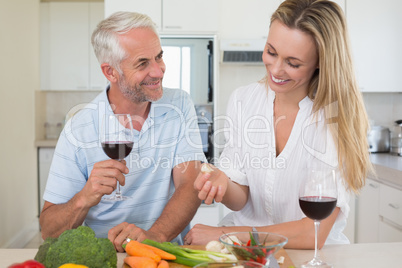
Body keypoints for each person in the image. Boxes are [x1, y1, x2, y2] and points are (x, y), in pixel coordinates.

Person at [184, 0, 373, 249]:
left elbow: (311, 233)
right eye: (271, 52)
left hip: (308, 258)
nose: (275, 69)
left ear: (320, 62)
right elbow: (240, 199)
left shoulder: (332, 120)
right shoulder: (244, 100)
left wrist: (227, 234)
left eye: (293, 63)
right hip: (247, 255)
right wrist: (222, 182)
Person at [39, 11, 206, 252]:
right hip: (104, 257)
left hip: (165, 254)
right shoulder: (80, 128)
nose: (158, 71)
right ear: (110, 72)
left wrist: (153, 237)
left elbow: (190, 184)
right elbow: (48, 230)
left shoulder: (178, 104)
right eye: (142, 63)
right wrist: (84, 198)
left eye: (159, 57)